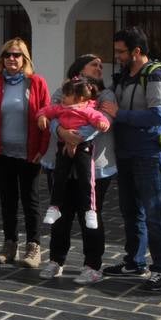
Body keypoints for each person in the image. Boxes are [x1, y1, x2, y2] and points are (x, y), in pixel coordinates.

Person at [103, 27, 161, 292]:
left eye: (121, 52)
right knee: (130, 210)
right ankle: (134, 261)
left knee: (155, 214)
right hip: (126, 153)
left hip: (150, 154)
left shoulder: (156, 75)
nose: (118, 56)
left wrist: (119, 114)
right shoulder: (123, 76)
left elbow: (158, 118)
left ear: (137, 51)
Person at [41, 55, 120, 286]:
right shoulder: (63, 90)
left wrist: (76, 139)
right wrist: (62, 133)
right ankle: (56, 260)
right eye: (93, 64)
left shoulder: (106, 95)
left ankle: (92, 265)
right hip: (61, 164)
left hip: (95, 166)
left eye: (100, 65)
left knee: (91, 215)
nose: (99, 68)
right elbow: (51, 112)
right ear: (79, 68)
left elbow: (103, 121)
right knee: (61, 214)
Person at [0, 38, 51, 268]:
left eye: (16, 55)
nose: (11, 58)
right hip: (2, 151)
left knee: (30, 200)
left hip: (29, 152)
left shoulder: (36, 83)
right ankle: (9, 243)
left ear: (25, 59)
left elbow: (46, 114)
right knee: (7, 200)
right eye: (7, 55)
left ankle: (33, 246)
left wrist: (43, 149)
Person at [38, 80, 112, 229]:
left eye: (67, 95)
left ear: (79, 98)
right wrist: (42, 117)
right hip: (63, 146)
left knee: (86, 178)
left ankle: (90, 210)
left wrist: (102, 124)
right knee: (59, 176)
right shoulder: (60, 108)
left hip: (83, 147)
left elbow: (100, 119)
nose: (63, 97)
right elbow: (45, 110)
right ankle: (54, 206)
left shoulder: (88, 110)